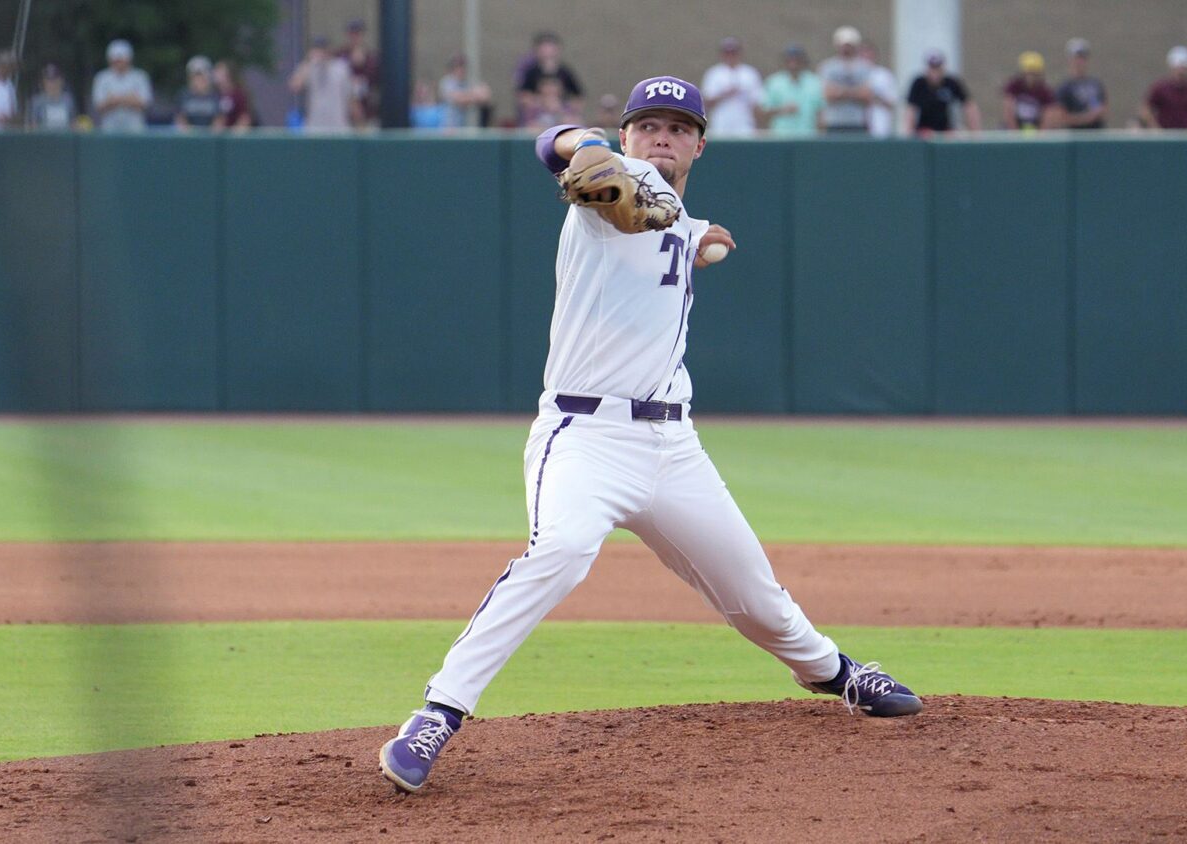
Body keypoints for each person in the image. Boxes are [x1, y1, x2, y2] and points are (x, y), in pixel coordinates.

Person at [377, 74, 923, 796]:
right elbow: (553, 144)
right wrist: (590, 147)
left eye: (676, 126)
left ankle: (835, 673)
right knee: (563, 551)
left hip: (672, 448)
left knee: (752, 592)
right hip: (583, 436)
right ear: (628, 135)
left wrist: (704, 238)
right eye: (647, 125)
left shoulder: (684, 219)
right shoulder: (605, 189)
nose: (660, 136)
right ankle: (438, 714)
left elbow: (683, 235)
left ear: (698, 142)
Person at [291, 36, 359, 133]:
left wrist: (358, 122)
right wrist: (309, 62)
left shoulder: (341, 68)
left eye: (323, 48)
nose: (321, 52)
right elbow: (295, 86)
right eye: (318, 48)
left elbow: (351, 97)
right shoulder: (309, 67)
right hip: (314, 128)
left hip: (338, 127)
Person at [905, 49, 979, 135]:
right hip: (924, 130)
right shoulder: (919, 84)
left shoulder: (951, 83)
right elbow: (911, 110)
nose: (935, 73)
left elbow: (969, 105)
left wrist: (975, 132)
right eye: (932, 68)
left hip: (946, 130)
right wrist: (908, 132)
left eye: (937, 68)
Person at [700, 37, 763, 137]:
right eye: (727, 52)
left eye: (733, 52)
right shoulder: (714, 73)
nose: (730, 55)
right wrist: (725, 94)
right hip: (721, 125)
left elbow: (757, 103)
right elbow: (706, 102)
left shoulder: (750, 73)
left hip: (744, 125)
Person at [517, 32, 583, 125]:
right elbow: (523, 96)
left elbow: (578, 97)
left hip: (561, 113)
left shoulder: (565, 72)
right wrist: (542, 103)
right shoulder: (531, 72)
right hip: (537, 115)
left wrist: (561, 107)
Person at [758, 43, 822, 136]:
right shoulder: (774, 82)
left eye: (797, 60)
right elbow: (763, 112)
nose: (793, 64)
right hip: (781, 137)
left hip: (807, 136)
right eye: (790, 60)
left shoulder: (814, 82)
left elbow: (821, 111)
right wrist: (781, 110)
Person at [819, 26, 872, 133]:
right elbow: (828, 95)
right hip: (834, 122)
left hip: (858, 122)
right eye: (843, 45)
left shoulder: (865, 67)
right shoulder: (828, 67)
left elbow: (866, 96)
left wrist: (840, 92)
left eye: (849, 45)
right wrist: (854, 92)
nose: (846, 48)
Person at [91, 39, 152, 133]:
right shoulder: (102, 78)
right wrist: (127, 99)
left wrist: (115, 100)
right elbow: (98, 106)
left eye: (121, 59)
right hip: (109, 131)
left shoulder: (140, 76)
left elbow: (145, 104)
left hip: (135, 131)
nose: (118, 63)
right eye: (116, 60)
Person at [1142, 46, 1187, 130]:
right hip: (1165, 136)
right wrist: (1155, 128)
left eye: (1184, 68)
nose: (1181, 71)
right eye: (1179, 68)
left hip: (1186, 136)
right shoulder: (1160, 87)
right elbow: (1146, 109)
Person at [1054, 38, 1106, 129]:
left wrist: (1097, 113)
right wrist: (1086, 118)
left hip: (1097, 133)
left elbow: (1103, 108)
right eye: (1076, 58)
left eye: (1082, 58)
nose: (1079, 62)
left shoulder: (1095, 84)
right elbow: (1061, 116)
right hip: (1076, 136)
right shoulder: (1064, 87)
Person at [337, 19, 379, 125]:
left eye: (358, 34)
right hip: (344, 111)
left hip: (367, 109)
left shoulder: (372, 58)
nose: (355, 37)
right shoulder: (340, 55)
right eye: (352, 34)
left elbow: (376, 82)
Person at [1003, 51, 1055, 132]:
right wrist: (1015, 132)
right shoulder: (1014, 86)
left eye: (1034, 73)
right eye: (1029, 73)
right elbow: (1008, 109)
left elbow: (1048, 115)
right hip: (1016, 128)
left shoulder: (1045, 91)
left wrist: (1040, 136)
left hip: (1036, 129)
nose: (1031, 77)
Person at [438, 54, 491, 129]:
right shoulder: (447, 82)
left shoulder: (467, 83)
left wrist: (471, 96)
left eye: (463, 66)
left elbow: (485, 96)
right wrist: (475, 96)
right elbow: (459, 99)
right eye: (458, 66)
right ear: (452, 68)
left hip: (465, 129)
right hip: (449, 129)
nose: (461, 69)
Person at [861, 41, 900, 138]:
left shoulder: (884, 75)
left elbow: (892, 102)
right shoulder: (855, 76)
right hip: (859, 126)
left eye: (869, 55)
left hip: (880, 127)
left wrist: (873, 96)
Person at [175, 55, 223, 131]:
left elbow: (219, 120)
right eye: (196, 76)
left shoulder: (215, 95)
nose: (199, 80)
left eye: (201, 76)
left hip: (210, 138)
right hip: (190, 138)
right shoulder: (184, 95)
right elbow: (180, 119)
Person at [27, 64, 76, 130]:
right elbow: (32, 125)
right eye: (49, 80)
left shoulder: (68, 99)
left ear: (61, 81)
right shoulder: (37, 102)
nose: (52, 83)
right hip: (44, 138)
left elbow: (73, 123)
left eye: (55, 79)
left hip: (65, 138)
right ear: (44, 82)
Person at [213, 60, 254, 132]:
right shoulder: (215, 94)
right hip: (219, 138)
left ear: (228, 74)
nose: (215, 74)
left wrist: (234, 133)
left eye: (219, 71)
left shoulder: (239, 95)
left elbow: (245, 118)